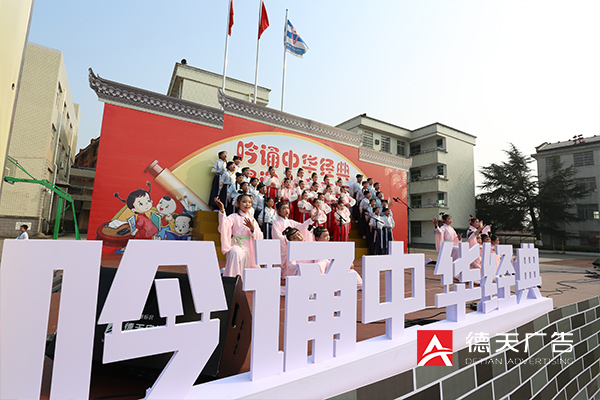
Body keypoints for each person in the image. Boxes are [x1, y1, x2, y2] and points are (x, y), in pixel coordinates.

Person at [214, 194, 263, 278]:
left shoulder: (253, 220)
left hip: (250, 246)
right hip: (238, 244)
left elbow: (260, 235)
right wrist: (222, 210)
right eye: (244, 202)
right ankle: (232, 279)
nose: (247, 204)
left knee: (254, 260)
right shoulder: (233, 216)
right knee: (235, 253)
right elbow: (223, 227)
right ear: (238, 204)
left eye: (249, 202)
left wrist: (253, 229)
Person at [271, 201, 316, 278]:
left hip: (292, 246)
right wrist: (289, 239)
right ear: (278, 211)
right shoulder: (276, 223)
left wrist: (310, 219)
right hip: (284, 247)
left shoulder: (291, 222)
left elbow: (301, 227)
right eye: (284, 208)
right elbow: (277, 236)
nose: (286, 210)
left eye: (287, 208)